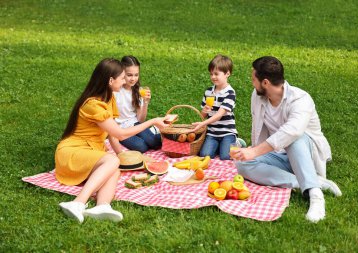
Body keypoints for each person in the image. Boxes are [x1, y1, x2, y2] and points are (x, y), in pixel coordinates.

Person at [55, 58, 168, 223]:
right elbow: (121, 134)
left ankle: (102, 206)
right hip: (72, 152)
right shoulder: (93, 105)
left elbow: (112, 134)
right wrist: (152, 121)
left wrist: (121, 155)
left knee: (114, 167)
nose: (124, 81)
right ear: (110, 80)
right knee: (112, 161)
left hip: (91, 151)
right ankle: (78, 202)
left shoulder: (108, 100)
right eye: (122, 78)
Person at [232, 56, 342, 223]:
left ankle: (316, 196)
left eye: (254, 79)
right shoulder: (257, 96)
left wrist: (254, 151)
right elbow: (258, 129)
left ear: (266, 83)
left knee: (294, 139)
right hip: (280, 154)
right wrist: (251, 153)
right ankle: (309, 181)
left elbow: (291, 132)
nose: (251, 82)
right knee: (242, 163)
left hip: (306, 154)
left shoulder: (300, 99)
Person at [109, 55, 162, 154]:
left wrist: (146, 102)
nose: (133, 79)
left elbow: (140, 120)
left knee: (155, 142)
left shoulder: (138, 91)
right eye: (129, 75)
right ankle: (153, 131)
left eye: (136, 75)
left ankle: (161, 133)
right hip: (121, 129)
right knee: (141, 147)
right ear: (122, 73)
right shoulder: (115, 91)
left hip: (135, 124)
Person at [192, 54, 238, 160]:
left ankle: (236, 143)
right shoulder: (208, 91)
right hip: (212, 132)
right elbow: (202, 116)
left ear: (227, 73)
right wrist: (204, 111)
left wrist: (202, 124)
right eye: (211, 74)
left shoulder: (230, 93)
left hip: (227, 132)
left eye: (216, 74)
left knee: (226, 156)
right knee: (205, 155)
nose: (213, 77)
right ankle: (219, 146)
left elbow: (219, 115)